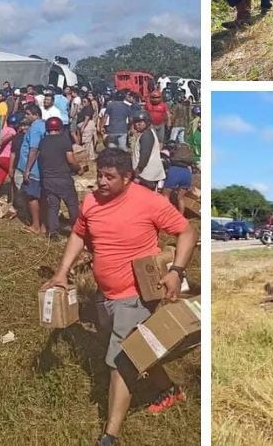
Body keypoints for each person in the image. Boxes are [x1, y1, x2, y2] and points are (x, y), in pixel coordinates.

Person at [41, 149, 196, 445]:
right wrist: (62, 272)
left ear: (128, 178)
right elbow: (78, 234)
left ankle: (109, 434)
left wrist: (176, 271)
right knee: (138, 349)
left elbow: (187, 232)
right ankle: (170, 390)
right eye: (100, 174)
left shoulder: (149, 201)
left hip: (137, 295)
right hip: (106, 295)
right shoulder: (91, 202)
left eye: (110, 177)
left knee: (120, 361)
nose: (101, 182)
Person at [39, 117, 81, 239]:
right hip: (63, 178)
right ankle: (77, 229)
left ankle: (53, 232)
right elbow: (71, 160)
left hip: (48, 178)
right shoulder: (64, 140)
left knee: (53, 206)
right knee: (72, 205)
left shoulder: (43, 141)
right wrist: (79, 169)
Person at [15, 104, 47, 235]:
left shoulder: (34, 128)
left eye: (28, 114)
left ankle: (35, 225)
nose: (26, 116)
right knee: (43, 197)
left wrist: (27, 169)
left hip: (34, 169)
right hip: (41, 167)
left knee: (32, 196)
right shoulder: (44, 125)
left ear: (35, 115)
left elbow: (33, 149)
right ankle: (44, 225)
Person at [130, 111, 165, 190]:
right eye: (136, 122)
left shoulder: (146, 136)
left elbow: (145, 155)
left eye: (140, 122)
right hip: (147, 173)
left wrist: (137, 173)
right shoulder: (146, 133)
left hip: (146, 174)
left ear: (147, 122)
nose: (137, 124)